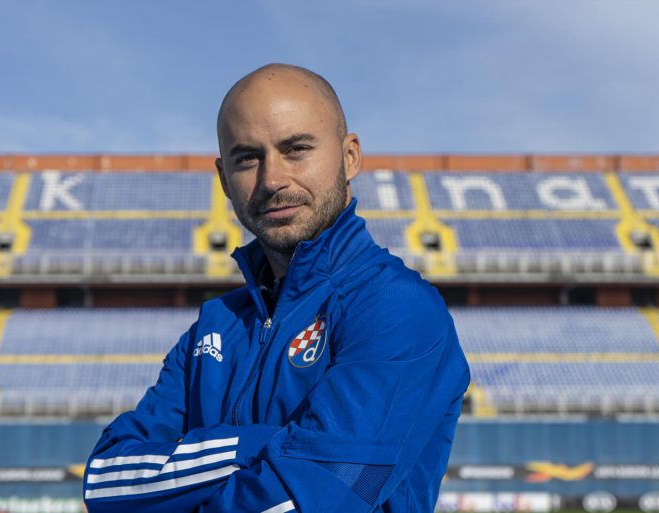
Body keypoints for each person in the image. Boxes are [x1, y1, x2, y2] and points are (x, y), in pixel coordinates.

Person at [83, 63, 469, 513]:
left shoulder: (396, 307)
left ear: (350, 157)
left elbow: (318, 500)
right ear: (224, 179)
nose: (272, 180)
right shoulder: (215, 324)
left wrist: (192, 470)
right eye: (247, 158)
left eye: (296, 149)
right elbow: (107, 481)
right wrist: (259, 446)